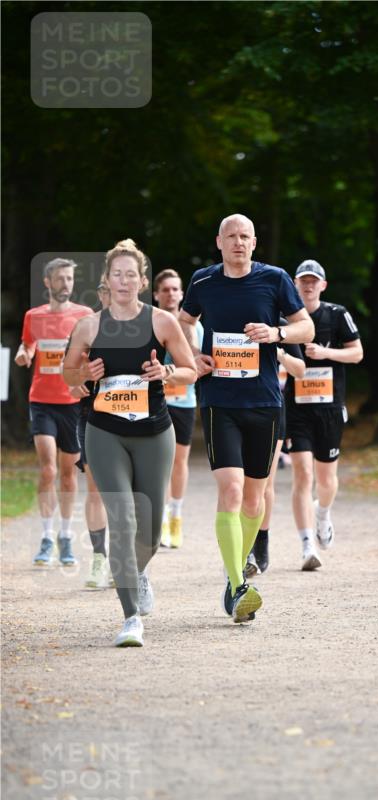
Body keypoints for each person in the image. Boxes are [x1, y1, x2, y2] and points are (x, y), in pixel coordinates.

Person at [178, 214, 314, 623]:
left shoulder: (274, 279)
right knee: (232, 491)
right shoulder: (203, 281)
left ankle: (234, 572)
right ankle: (238, 584)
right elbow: (185, 322)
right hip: (219, 400)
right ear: (218, 242)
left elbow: (304, 328)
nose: (238, 243)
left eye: (245, 237)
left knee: (256, 497)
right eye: (231, 237)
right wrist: (192, 355)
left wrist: (276, 334)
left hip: (266, 401)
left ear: (254, 243)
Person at [63, 239, 196, 647]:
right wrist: (84, 376)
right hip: (104, 432)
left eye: (130, 275)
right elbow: (68, 379)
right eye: (116, 274)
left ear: (141, 281)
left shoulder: (162, 323)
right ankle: (130, 617)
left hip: (155, 433)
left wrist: (166, 373)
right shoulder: (89, 326)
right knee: (121, 518)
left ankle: (137, 572)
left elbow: (191, 371)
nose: (123, 281)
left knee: (151, 531)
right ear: (106, 280)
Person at [284, 260, 363, 571]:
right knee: (302, 474)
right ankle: (306, 545)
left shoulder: (336, 314)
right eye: (303, 280)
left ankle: (323, 512)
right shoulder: (286, 319)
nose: (308, 285)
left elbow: (357, 353)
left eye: (314, 281)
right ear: (294, 284)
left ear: (323, 285)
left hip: (330, 407)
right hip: (298, 406)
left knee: (327, 480)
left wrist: (326, 353)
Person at [15, 257, 93, 567]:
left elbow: (90, 352)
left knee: (67, 475)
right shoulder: (33, 316)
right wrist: (24, 353)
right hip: (42, 401)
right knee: (48, 469)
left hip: (73, 403)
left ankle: (65, 536)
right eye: (60, 279)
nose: (65, 284)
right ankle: (46, 537)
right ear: (48, 283)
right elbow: (28, 346)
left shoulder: (84, 315)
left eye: (70, 279)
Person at [152, 269, 204, 549]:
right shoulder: (150, 324)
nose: (171, 294)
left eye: (175, 289)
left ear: (182, 294)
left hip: (184, 401)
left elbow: (201, 365)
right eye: (166, 289)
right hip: (154, 400)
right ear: (156, 295)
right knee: (157, 462)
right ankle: (159, 519)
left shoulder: (195, 327)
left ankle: (176, 518)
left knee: (179, 461)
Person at [245, 339, 306, 576]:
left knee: (265, 482)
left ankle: (261, 538)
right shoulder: (230, 316)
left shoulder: (283, 327)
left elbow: (300, 370)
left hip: (271, 407)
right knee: (238, 482)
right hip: (233, 407)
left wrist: (279, 353)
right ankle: (243, 545)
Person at [70, 275, 113, 588]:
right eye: (109, 289)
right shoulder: (86, 327)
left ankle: (125, 560)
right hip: (92, 415)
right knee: (96, 489)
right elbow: (68, 374)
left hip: (134, 416)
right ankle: (99, 558)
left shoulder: (147, 326)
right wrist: (78, 380)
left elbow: (171, 366)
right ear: (101, 293)